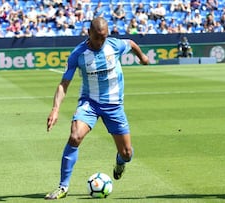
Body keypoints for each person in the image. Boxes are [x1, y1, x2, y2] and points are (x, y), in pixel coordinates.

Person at [44, 16, 149, 200]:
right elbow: (64, 84)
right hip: (89, 103)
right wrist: (55, 109)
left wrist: (142, 57)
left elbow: (131, 43)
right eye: (97, 37)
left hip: (114, 105)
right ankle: (63, 186)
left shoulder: (114, 45)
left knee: (127, 153)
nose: (101, 41)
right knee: (75, 136)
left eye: (104, 37)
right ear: (89, 33)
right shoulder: (78, 54)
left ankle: (119, 163)